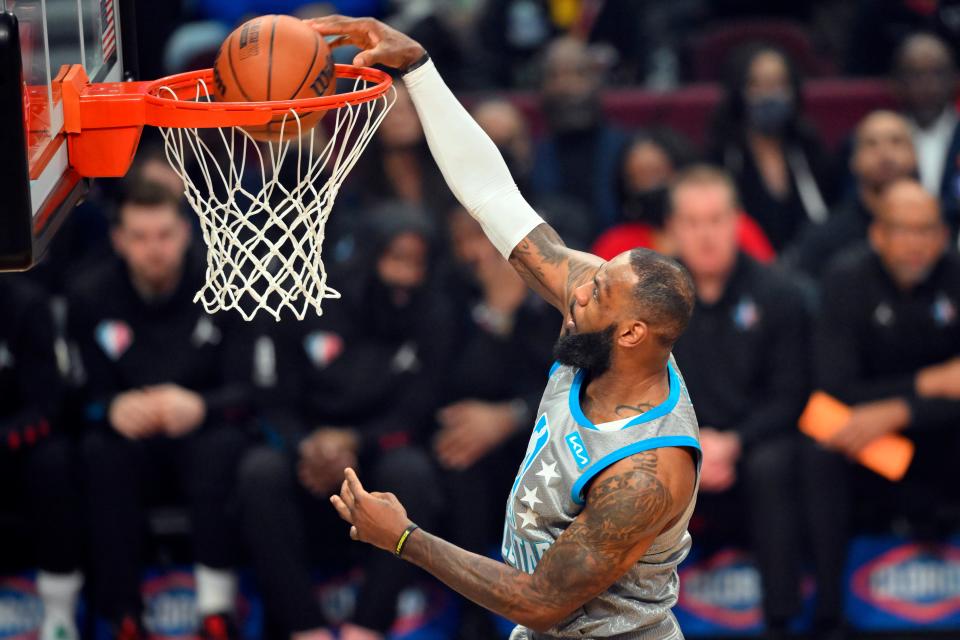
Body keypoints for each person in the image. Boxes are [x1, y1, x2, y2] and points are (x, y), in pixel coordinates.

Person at [309, 16, 701, 640]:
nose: (580, 283)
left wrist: (405, 538)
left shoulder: (646, 472)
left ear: (632, 334)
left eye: (599, 289)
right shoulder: (600, 321)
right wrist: (419, 71)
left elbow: (542, 601)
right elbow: (494, 197)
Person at [238, 205, 448, 640]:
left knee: (411, 471)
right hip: (306, 450)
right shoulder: (311, 299)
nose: (405, 274)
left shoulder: (434, 312)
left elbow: (417, 409)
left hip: (378, 448)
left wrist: (352, 441)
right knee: (258, 472)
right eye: (396, 258)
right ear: (370, 254)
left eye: (416, 262)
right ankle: (304, 627)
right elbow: (274, 400)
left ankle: (367, 628)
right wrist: (308, 446)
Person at [69, 179, 251, 640]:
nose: (155, 249)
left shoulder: (224, 284)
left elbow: (250, 389)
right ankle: (124, 615)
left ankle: (216, 610)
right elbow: (72, 395)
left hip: (201, 433)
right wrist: (110, 408)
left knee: (222, 445)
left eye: (165, 235)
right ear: (119, 240)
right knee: (99, 450)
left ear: (187, 232)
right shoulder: (89, 295)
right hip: (131, 442)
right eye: (140, 237)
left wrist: (201, 405)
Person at [803, 179, 960, 640]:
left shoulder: (956, 275)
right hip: (872, 447)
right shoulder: (845, 278)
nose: (917, 243)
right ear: (878, 234)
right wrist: (926, 385)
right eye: (904, 230)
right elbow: (833, 392)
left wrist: (900, 410)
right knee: (818, 443)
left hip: (940, 437)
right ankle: (829, 615)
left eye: (928, 230)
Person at [666, 166, 810, 640]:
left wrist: (732, 443)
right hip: (674, 444)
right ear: (674, 229)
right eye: (692, 222)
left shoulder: (780, 294)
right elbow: (625, 393)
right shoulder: (648, 300)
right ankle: (629, 621)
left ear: (736, 222)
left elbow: (790, 394)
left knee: (776, 463)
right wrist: (690, 449)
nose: (705, 234)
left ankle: (780, 620)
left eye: (716, 219)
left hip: (752, 442)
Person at [436, 205, 558, 638]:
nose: (473, 252)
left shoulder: (560, 294)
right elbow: (450, 386)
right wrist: (497, 312)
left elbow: (573, 386)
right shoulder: (451, 293)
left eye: (481, 238)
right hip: (477, 448)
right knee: (458, 452)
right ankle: (474, 615)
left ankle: (560, 608)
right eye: (462, 242)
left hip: (546, 438)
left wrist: (510, 416)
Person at [0, 275, 83, 640]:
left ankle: (59, 618)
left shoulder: (25, 304)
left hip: (18, 444)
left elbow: (47, 406)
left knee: (54, 462)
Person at [708, 44, 835, 252]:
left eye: (779, 84)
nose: (769, 95)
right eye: (757, 85)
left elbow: (828, 217)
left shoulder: (809, 148)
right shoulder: (723, 155)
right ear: (739, 92)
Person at [590, 129, 775, 262]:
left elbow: (769, 285)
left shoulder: (731, 225)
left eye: (657, 173)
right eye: (637, 178)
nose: (650, 186)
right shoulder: (615, 245)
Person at [785, 110, 918, 281]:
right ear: (853, 160)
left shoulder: (939, 231)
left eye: (896, 142)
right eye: (871, 144)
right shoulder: (823, 238)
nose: (885, 153)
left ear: (915, 156)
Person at [529, 36, 627, 234]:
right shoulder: (531, 157)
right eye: (554, 75)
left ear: (597, 79)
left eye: (578, 73)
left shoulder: (626, 150)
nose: (567, 86)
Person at [893, 32, 960, 225]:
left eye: (938, 73)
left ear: (954, 79)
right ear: (897, 81)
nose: (928, 86)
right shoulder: (877, 140)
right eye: (916, 75)